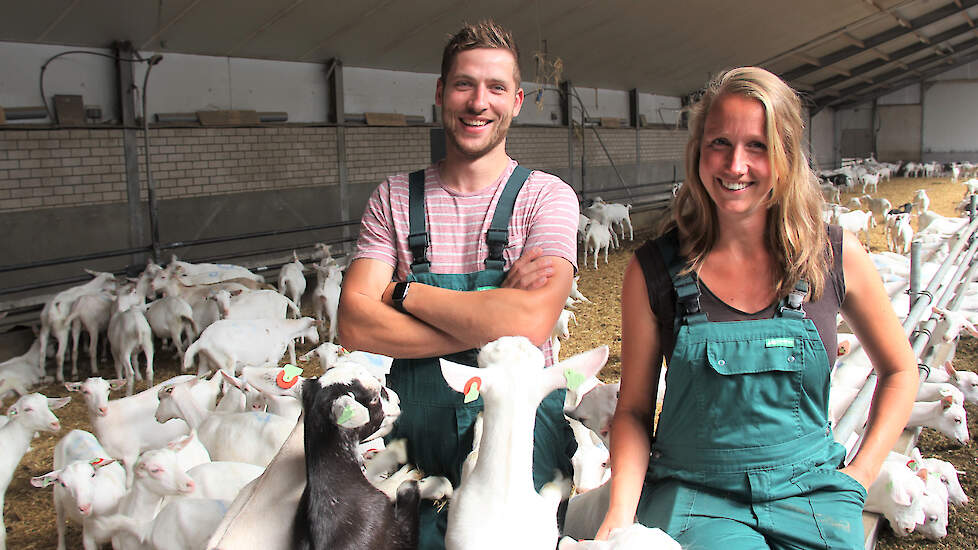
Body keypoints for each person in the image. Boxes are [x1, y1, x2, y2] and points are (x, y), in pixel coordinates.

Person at [595, 67, 918, 549]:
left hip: (813, 498)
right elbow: (636, 410)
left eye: (758, 146)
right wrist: (617, 521)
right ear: (698, 151)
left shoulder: (833, 255)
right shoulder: (653, 270)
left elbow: (900, 370)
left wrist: (860, 476)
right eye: (719, 142)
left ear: (786, 155)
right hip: (693, 498)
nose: (735, 164)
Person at [337, 20, 580, 550]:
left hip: (516, 430)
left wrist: (405, 295)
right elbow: (354, 323)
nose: (478, 102)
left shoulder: (547, 198)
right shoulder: (394, 199)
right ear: (441, 93)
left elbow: (533, 320)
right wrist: (494, 315)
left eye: (496, 88)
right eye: (464, 84)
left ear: (517, 101)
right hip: (412, 429)